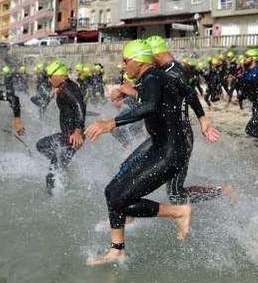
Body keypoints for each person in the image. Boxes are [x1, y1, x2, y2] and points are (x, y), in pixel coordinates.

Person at [83, 40, 194, 266]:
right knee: (112, 191)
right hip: (160, 148)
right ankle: (117, 250)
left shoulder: (153, 77)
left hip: (170, 153)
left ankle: (178, 212)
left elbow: (150, 106)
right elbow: (188, 91)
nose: (123, 66)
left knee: (119, 198)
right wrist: (204, 119)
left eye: (125, 61)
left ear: (139, 60)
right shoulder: (153, 78)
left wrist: (110, 123)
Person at [140, 35, 229, 204]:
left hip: (180, 138)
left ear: (156, 55)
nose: (148, 65)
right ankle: (128, 210)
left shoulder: (173, 71)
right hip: (171, 137)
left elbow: (189, 93)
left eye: (149, 60)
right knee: (144, 173)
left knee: (175, 193)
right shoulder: (169, 70)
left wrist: (203, 118)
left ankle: (223, 192)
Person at [36, 60, 87, 191]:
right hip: (67, 135)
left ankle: (55, 199)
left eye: (50, 76)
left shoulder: (68, 89)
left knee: (51, 176)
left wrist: (78, 131)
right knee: (41, 145)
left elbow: (80, 106)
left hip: (72, 137)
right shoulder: (66, 87)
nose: (48, 79)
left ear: (59, 76)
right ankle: (64, 166)